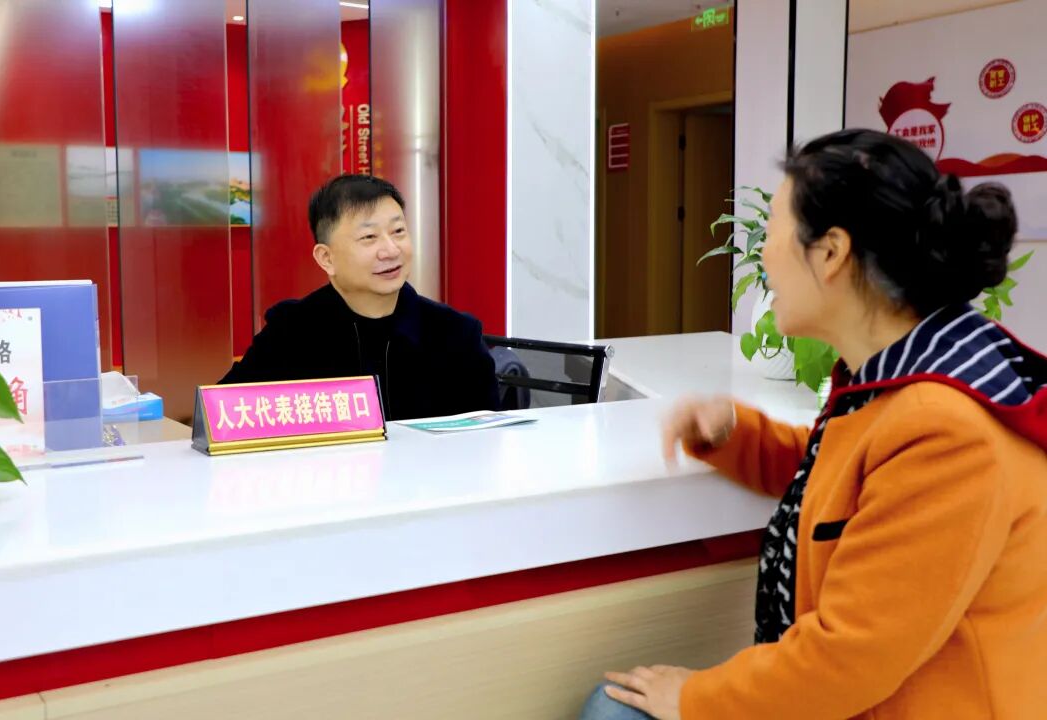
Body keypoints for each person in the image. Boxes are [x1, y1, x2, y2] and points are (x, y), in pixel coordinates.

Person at [580, 129, 1047, 719]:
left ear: (830, 253)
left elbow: (847, 659)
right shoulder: (909, 381)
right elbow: (842, 480)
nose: (762, 257)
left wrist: (693, 698)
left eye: (773, 233)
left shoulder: (947, 434)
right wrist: (733, 433)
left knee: (613, 711)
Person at [220, 174, 500, 421]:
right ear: (326, 258)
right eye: (369, 237)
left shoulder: (456, 334)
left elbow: (487, 440)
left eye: (398, 231)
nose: (391, 250)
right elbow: (222, 415)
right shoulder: (291, 332)